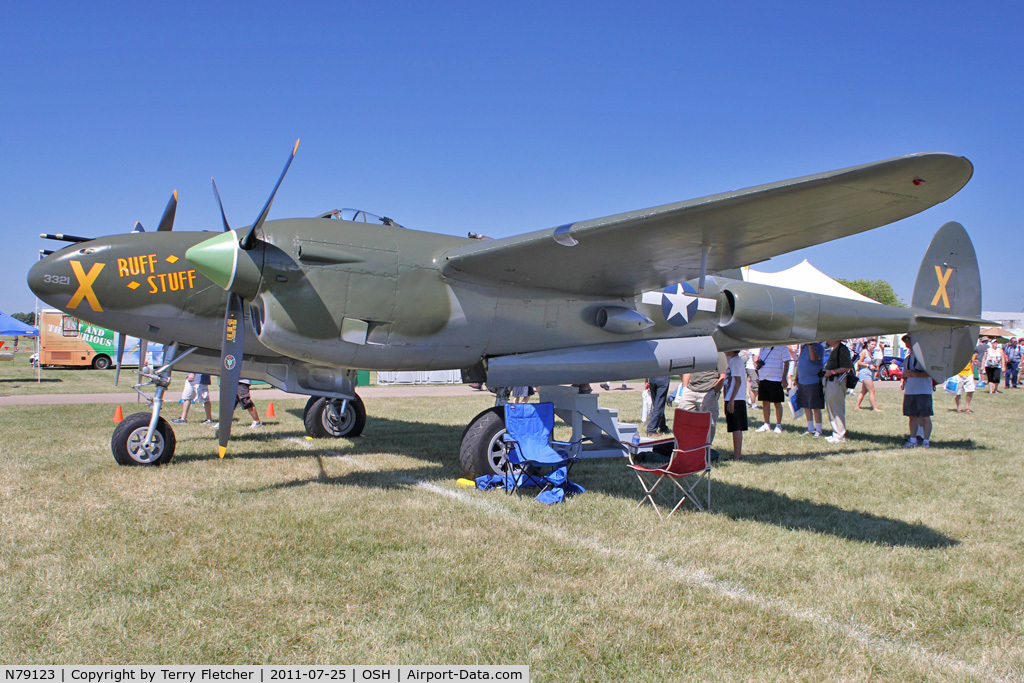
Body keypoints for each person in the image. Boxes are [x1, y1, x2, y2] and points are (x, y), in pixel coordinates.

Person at [679, 353, 728, 444]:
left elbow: (723, 375)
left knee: (709, 423)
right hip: (690, 390)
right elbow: (687, 371)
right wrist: (685, 388)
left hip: (709, 391)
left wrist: (715, 391)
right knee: (683, 420)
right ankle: (686, 447)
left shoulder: (719, 354)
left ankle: (705, 449)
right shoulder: (694, 351)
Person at [901, 335, 933, 448]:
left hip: (923, 391)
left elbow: (931, 373)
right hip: (910, 391)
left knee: (925, 417)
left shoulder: (925, 358)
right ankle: (913, 439)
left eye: (909, 342)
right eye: (906, 344)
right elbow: (904, 374)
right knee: (912, 416)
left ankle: (926, 441)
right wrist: (904, 376)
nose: (908, 345)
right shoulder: (907, 359)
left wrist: (916, 374)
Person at [822, 338, 854, 443]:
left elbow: (847, 367)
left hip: (837, 381)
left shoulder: (842, 349)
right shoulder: (834, 349)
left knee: (837, 408)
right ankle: (835, 432)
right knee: (831, 408)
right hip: (830, 381)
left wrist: (832, 372)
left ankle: (840, 435)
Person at [755, 346, 789, 433]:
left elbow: (786, 362)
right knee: (765, 402)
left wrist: (784, 377)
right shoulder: (763, 347)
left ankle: (778, 425)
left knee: (777, 403)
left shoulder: (783, 347)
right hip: (763, 378)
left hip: (776, 379)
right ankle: (766, 424)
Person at [795, 342, 825, 437]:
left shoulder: (819, 347)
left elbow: (813, 357)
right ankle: (810, 428)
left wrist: (811, 345)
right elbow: (800, 362)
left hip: (814, 381)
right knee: (806, 406)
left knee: (815, 407)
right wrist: (797, 377)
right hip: (803, 381)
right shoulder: (803, 347)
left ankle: (818, 430)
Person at [723, 350, 748, 460]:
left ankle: (737, 455)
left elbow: (738, 381)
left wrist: (731, 400)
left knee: (736, 427)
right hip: (736, 397)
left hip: (736, 398)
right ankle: (736, 454)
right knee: (734, 427)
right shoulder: (735, 361)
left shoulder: (735, 361)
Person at [855, 338, 882, 411]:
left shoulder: (872, 352)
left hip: (870, 372)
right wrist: (868, 365)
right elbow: (859, 362)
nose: (873, 346)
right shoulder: (864, 352)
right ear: (868, 344)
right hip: (864, 372)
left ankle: (857, 406)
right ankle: (875, 408)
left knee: (864, 391)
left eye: (875, 345)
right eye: (872, 344)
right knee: (872, 390)